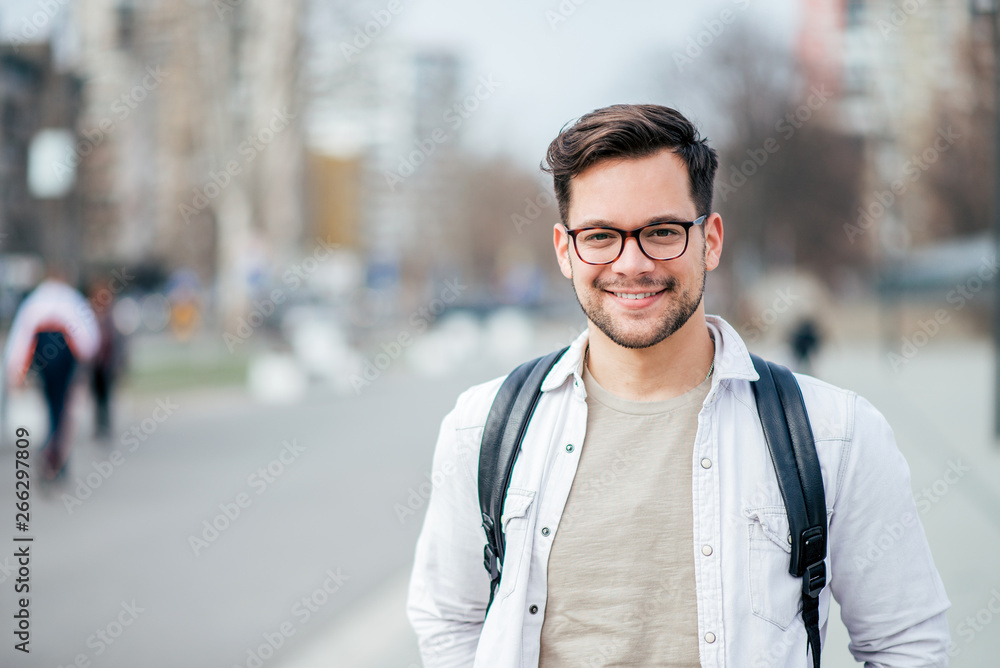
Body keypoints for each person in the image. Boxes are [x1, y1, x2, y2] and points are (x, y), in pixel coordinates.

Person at [406, 105, 950, 667]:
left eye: (662, 232)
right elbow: (450, 621)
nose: (631, 262)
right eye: (599, 235)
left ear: (710, 240)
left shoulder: (834, 435)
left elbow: (906, 645)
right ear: (566, 251)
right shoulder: (484, 427)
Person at [4, 269, 99, 479]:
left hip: (45, 358)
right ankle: (56, 452)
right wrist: (85, 360)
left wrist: (16, 371)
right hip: (65, 357)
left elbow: (21, 337)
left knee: (51, 404)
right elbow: (88, 335)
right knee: (62, 406)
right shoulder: (71, 298)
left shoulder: (36, 300)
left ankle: (52, 448)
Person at [88, 276, 126, 442]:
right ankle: (98, 426)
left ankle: (106, 425)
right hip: (95, 364)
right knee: (96, 396)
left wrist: (120, 362)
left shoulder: (113, 316)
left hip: (108, 363)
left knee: (107, 395)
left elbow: (120, 341)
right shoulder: (91, 316)